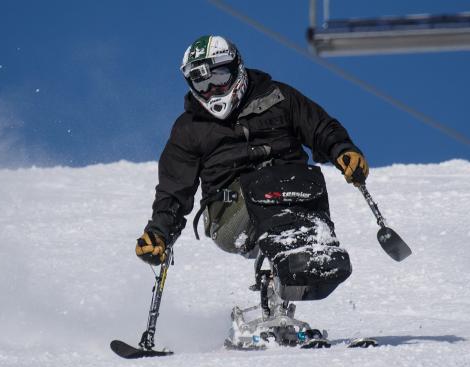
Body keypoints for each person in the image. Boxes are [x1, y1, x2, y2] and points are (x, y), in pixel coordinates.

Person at [135, 35, 369, 306]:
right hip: (231, 214)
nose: (212, 90)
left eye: (219, 78)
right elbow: (174, 189)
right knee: (263, 183)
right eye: (202, 83)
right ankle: (285, 265)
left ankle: (303, 271)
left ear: (237, 69)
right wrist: (160, 233)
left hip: (295, 200)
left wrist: (343, 150)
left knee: (303, 180)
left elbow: (319, 127)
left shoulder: (279, 97)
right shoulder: (189, 129)